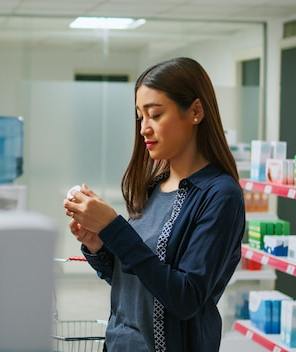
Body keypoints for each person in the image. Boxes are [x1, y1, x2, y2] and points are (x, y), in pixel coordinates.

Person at [63, 57, 245, 352]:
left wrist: (115, 228)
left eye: (155, 115)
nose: (144, 129)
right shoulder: (153, 186)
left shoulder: (220, 195)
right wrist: (99, 244)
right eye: (140, 117)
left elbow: (185, 299)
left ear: (196, 111)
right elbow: (136, 284)